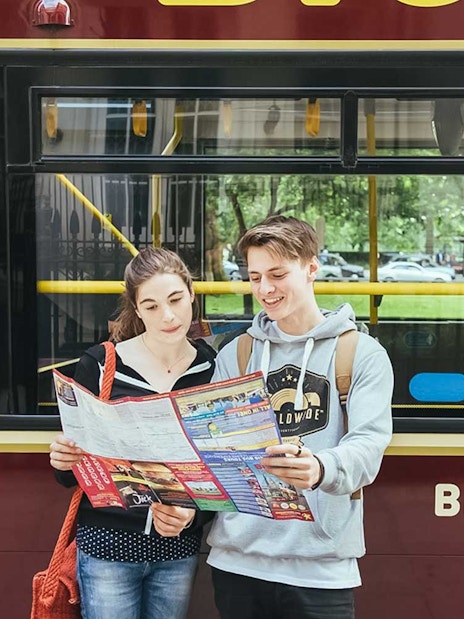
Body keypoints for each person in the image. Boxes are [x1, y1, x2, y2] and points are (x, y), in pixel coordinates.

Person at [206, 215, 393, 619]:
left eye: (277, 274)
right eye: (255, 277)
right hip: (236, 563)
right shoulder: (235, 354)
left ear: (311, 269)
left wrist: (320, 467)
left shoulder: (361, 353)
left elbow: (369, 445)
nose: (265, 289)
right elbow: (213, 448)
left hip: (322, 570)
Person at [49, 247, 216, 619]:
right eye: (152, 306)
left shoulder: (210, 366)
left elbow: (221, 466)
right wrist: (62, 458)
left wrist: (193, 516)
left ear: (191, 293)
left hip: (177, 550)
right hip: (107, 546)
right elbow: (67, 477)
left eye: (175, 299)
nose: (168, 316)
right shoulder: (101, 363)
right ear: (137, 310)